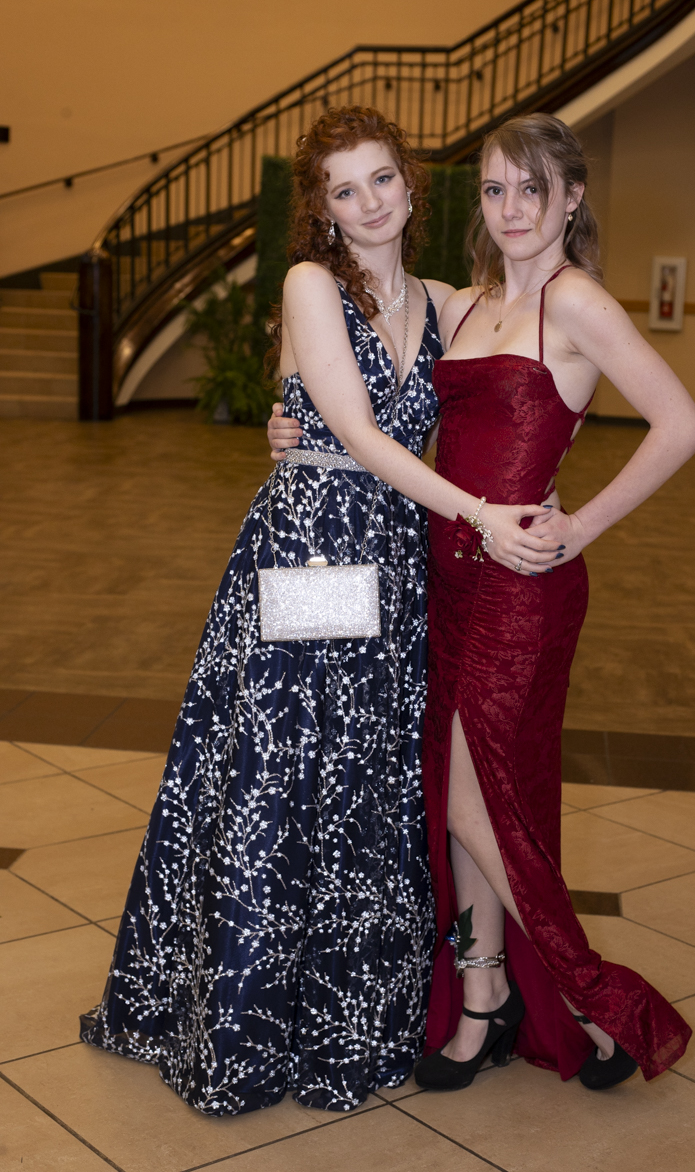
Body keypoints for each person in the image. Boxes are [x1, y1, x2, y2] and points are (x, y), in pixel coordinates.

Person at [269, 113, 695, 1094]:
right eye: (496, 190)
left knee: (479, 802)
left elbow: (681, 424)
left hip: (522, 585)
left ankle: (592, 993)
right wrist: (290, 417)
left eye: (532, 189)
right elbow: (357, 366)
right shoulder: (463, 304)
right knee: (458, 794)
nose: (512, 209)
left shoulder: (575, 299)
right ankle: (481, 996)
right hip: (445, 573)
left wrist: (580, 526)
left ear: (571, 197)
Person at [80, 104, 499, 1115]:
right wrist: (481, 510)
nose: (369, 202)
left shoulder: (447, 303)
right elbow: (356, 433)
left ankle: (354, 1015)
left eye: (382, 178)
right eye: (344, 189)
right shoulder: (310, 283)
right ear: (322, 208)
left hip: (393, 561)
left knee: (365, 782)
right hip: (311, 549)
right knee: (281, 779)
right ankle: (249, 1024)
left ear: (410, 183)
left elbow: (524, 358)